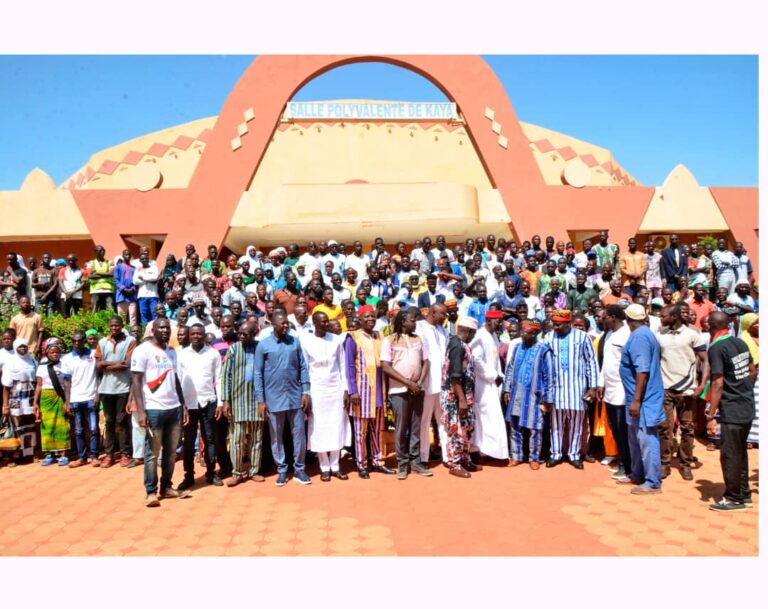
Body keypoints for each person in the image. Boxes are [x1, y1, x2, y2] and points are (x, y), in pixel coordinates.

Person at [131, 317, 190, 507]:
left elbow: (176, 380)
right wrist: (140, 412)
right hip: (153, 409)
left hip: (174, 408)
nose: (165, 331)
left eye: (167, 328)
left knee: (171, 452)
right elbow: (137, 382)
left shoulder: (172, 351)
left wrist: (183, 405)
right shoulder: (142, 351)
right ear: (152, 330)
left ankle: (167, 487)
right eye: (161, 328)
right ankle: (151, 492)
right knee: (152, 454)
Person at [706, 311, 756, 511]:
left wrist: (711, 413)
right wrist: (742, 388)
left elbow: (717, 383)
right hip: (747, 404)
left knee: (729, 454)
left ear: (711, 326)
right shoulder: (740, 342)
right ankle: (744, 493)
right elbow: (752, 370)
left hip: (732, 409)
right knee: (740, 452)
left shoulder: (716, 348)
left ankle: (733, 498)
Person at [255, 311, 311, 486]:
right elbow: (258, 374)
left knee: (299, 435)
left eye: (287, 323)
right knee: (276, 438)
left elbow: (303, 367)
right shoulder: (263, 345)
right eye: (282, 324)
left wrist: (305, 392)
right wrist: (261, 400)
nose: (286, 326)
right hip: (273, 398)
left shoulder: (295, 342)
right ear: (273, 325)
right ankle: (281, 470)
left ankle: (300, 470)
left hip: (295, 396)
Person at [656, 304, 709, 481]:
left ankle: (685, 464)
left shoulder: (692, 334)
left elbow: (705, 360)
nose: (661, 318)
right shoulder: (659, 334)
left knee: (687, 428)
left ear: (675, 316)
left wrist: (702, 385)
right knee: (664, 428)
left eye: (664, 316)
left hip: (687, 390)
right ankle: (665, 463)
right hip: (665, 389)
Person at [542, 309, 599, 469]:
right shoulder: (548, 337)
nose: (555, 327)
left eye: (558, 325)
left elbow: (591, 362)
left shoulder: (582, 337)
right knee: (556, 424)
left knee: (576, 424)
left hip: (577, 389)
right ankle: (556, 454)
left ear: (568, 323)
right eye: (554, 324)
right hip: (556, 389)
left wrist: (593, 387)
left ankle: (574, 455)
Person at [619, 304, 666, 494]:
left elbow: (642, 371)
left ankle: (653, 481)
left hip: (644, 400)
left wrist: (637, 400)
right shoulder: (643, 333)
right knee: (635, 439)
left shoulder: (640, 337)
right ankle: (637, 473)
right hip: (635, 397)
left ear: (628, 320)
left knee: (647, 439)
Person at [380, 308, 432, 480]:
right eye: (412, 320)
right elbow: (386, 366)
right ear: (403, 322)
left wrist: (418, 382)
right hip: (399, 391)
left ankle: (416, 462)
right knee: (401, 428)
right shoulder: (389, 340)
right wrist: (408, 382)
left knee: (416, 427)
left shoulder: (419, 339)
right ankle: (402, 463)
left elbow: (426, 362)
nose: (415, 323)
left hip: (418, 389)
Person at [344, 305, 395, 478]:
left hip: (379, 390)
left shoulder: (380, 336)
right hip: (362, 391)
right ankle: (361, 464)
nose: (370, 319)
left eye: (373, 317)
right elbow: (349, 366)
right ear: (359, 318)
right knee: (360, 431)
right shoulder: (353, 337)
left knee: (378, 429)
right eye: (367, 317)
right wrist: (352, 390)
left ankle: (378, 461)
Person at [301, 311, 350, 481]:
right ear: (314, 323)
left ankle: (335, 465)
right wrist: (306, 393)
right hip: (317, 389)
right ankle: (324, 466)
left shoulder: (336, 340)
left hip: (335, 387)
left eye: (327, 321)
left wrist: (346, 389)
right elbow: (305, 368)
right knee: (319, 427)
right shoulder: (306, 340)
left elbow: (343, 365)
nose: (325, 324)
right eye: (321, 321)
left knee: (337, 425)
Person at [502, 319, 553, 469]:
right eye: (522, 331)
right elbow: (510, 368)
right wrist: (506, 389)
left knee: (535, 428)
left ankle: (534, 457)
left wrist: (547, 399)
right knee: (515, 426)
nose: (522, 335)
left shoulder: (544, 350)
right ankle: (516, 456)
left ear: (535, 333)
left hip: (534, 396)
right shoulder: (517, 347)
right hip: (517, 393)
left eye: (526, 332)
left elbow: (549, 376)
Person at [177, 323, 223, 489]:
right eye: (193, 333)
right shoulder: (181, 354)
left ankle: (211, 473)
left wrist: (220, 402)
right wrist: (181, 406)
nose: (196, 336)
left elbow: (218, 379)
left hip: (208, 401)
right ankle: (189, 476)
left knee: (210, 438)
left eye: (199, 333)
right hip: (188, 405)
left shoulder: (213, 353)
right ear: (189, 335)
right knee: (188, 442)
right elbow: (178, 381)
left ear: (204, 335)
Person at [220, 321, 264, 487]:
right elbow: (226, 376)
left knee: (256, 439)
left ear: (255, 333)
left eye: (246, 334)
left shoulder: (261, 348)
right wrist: (225, 401)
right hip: (238, 401)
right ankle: (237, 472)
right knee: (237, 439)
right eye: (240, 333)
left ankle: (254, 471)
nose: (242, 336)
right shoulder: (233, 349)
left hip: (257, 402)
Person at [441, 316, 481, 478]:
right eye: (473, 333)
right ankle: (455, 463)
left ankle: (465, 459)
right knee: (457, 430)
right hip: (455, 397)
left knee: (466, 430)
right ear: (469, 331)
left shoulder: (463, 345)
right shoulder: (457, 347)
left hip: (465, 396)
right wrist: (462, 400)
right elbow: (455, 376)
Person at [94, 316, 136, 467]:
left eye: (117, 325)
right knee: (109, 422)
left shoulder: (130, 341)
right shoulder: (102, 342)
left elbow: (127, 364)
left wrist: (106, 364)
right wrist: (114, 364)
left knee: (122, 421)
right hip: (106, 388)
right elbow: (98, 366)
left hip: (123, 387)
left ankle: (125, 454)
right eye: (111, 325)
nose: (114, 328)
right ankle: (109, 454)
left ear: (122, 325)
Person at [597, 305, 633, 481]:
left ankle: (629, 467)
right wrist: (600, 383)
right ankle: (623, 462)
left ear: (613, 317)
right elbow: (606, 362)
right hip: (609, 389)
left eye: (605, 318)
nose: (603, 321)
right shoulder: (610, 334)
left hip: (622, 390)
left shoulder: (627, 334)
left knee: (623, 429)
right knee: (615, 429)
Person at [469, 309, 510, 461]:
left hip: (492, 384)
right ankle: (479, 451)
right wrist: (493, 376)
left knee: (491, 419)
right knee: (484, 418)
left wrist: (499, 376)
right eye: (498, 322)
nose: (500, 324)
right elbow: (476, 360)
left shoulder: (492, 335)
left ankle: (489, 451)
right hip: (482, 385)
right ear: (488, 321)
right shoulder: (479, 336)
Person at [415, 303, 450, 465]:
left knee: (443, 420)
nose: (445, 317)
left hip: (442, 384)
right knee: (425, 421)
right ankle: (423, 457)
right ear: (432, 313)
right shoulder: (419, 327)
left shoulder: (443, 331)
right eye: (442, 314)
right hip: (427, 383)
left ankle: (448, 456)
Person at [61, 331, 100, 468]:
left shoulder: (94, 354)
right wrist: (67, 401)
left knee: (94, 428)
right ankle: (82, 457)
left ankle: (94, 456)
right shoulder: (66, 359)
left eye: (79, 341)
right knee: (78, 430)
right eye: (74, 341)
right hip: (75, 398)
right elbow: (66, 381)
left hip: (91, 397)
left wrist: (97, 394)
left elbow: (99, 375)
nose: (77, 343)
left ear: (85, 340)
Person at [33, 340, 70, 466]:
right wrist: (35, 402)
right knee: (47, 427)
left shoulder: (64, 365)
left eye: (57, 352)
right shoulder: (42, 367)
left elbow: (67, 383)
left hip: (60, 397)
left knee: (62, 425)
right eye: (52, 352)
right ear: (47, 353)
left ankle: (64, 455)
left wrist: (67, 401)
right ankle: (50, 455)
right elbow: (39, 385)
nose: (55, 354)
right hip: (46, 398)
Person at [1, 338, 37, 465]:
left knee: (29, 426)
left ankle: (28, 454)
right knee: (15, 427)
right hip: (15, 400)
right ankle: (13, 456)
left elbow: (37, 381)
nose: (22, 349)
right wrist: (5, 405)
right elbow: (6, 386)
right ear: (15, 348)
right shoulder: (10, 363)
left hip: (30, 398)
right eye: (20, 347)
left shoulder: (32, 361)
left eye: (24, 347)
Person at [738, 313, 759, 447]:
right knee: (754, 404)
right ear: (747, 325)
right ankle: (750, 437)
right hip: (750, 375)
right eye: (755, 323)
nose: (759, 325)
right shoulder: (743, 340)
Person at [86, 245, 115, 312]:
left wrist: (97, 273)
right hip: (95, 290)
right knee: (94, 310)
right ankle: (94, 322)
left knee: (110, 309)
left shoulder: (110, 262)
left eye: (103, 250)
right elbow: (90, 276)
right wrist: (105, 274)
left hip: (108, 290)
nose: (102, 252)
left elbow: (111, 274)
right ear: (95, 252)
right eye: (100, 250)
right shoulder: (91, 263)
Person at [114, 250, 138, 327]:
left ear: (131, 256)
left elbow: (136, 281)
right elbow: (116, 280)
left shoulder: (134, 268)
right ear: (123, 256)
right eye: (125, 255)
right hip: (121, 296)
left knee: (133, 318)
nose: (127, 256)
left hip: (132, 296)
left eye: (129, 255)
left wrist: (132, 289)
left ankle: (133, 335)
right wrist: (123, 289)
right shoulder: (118, 267)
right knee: (121, 318)